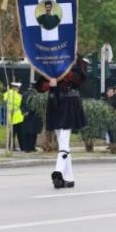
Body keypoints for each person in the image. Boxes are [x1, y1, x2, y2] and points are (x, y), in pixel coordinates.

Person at [36, 57, 89, 188]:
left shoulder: (74, 59)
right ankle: (69, 178)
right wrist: (50, 82)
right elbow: (40, 86)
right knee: (62, 141)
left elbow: (80, 79)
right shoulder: (50, 60)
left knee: (64, 139)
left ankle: (58, 171)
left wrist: (60, 75)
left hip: (69, 102)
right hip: (55, 103)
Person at [2, 81, 25, 151]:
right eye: (18, 88)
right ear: (16, 87)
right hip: (18, 116)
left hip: (11, 116)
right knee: (20, 133)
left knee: (12, 133)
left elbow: (4, 99)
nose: (18, 89)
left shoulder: (7, 93)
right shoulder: (19, 96)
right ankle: (22, 147)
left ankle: (11, 146)